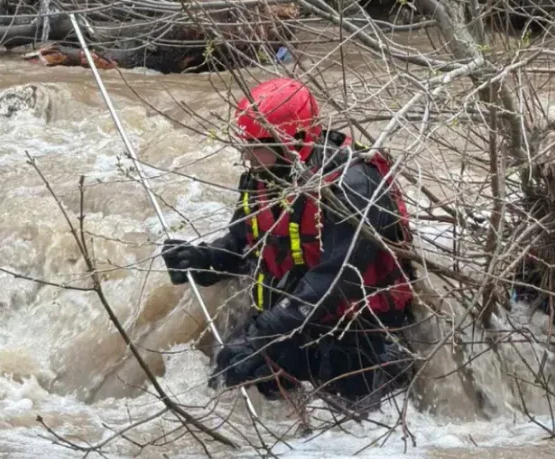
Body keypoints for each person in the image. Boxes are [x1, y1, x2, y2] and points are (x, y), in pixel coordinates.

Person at [161, 77, 416, 410]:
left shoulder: (354, 185)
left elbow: (337, 279)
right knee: (227, 372)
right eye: (246, 146)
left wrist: (260, 337)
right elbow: (247, 242)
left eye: (257, 148)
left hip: (362, 338)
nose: (247, 156)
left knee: (345, 433)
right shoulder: (265, 175)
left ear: (293, 143)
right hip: (294, 323)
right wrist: (205, 260)